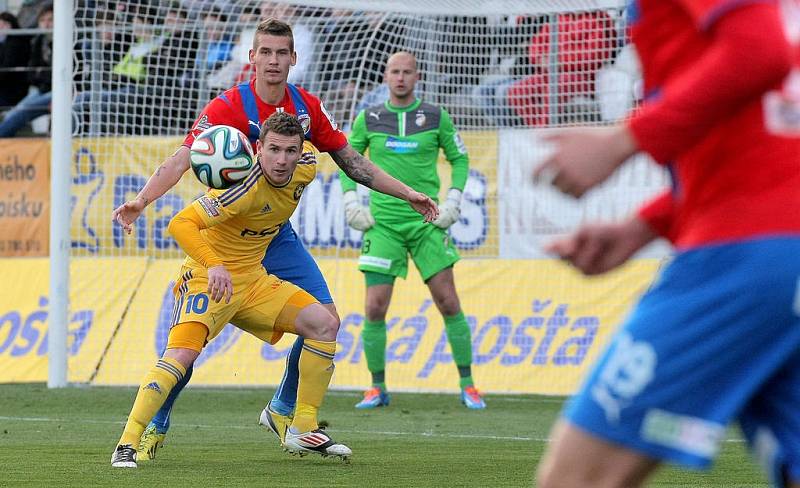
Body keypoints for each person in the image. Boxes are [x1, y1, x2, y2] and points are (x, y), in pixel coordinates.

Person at [111, 18, 438, 461]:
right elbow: (182, 159)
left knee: (326, 319)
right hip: (227, 233)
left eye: (281, 53)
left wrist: (408, 192)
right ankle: (155, 424)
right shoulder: (228, 106)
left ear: (293, 58)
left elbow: (354, 163)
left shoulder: (306, 109)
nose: (273, 61)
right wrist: (141, 201)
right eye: (264, 52)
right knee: (185, 351)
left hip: (275, 235)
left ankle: (286, 413)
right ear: (252, 58)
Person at [533, 2, 800, 487]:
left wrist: (621, 143)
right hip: (774, 248)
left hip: (747, 257)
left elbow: (759, 54)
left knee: (574, 479)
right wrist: (642, 228)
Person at [111, 112, 352, 467]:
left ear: (301, 150)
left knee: (325, 324)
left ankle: (302, 425)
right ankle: (127, 444)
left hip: (253, 284)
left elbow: (320, 142)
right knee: (180, 358)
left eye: (290, 150)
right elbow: (182, 224)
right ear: (258, 149)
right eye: (273, 150)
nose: (282, 160)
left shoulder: (307, 165)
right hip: (208, 282)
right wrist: (214, 264)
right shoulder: (239, 188)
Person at [341, 51, 486, 410]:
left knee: (448, 301)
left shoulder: (436, 116)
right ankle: (377, 388)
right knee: (374, 307)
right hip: (384, 223)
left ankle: (468, 384)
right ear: (385, 76)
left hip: (427, 221)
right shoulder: (369, 117)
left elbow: (460, 158)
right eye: (394, 72)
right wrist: (350, 202)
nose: (401, 78)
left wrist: (453, 198)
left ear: (416, 77)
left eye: (407, 72)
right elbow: (346, 159)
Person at [0, 2, 52, 137]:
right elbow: (32, 72)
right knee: (14, 114)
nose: (46, 24)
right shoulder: (39, 41)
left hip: (52, 91)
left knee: (21, 111)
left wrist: (42, 76)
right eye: (42, 20)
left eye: (50, 20)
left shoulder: (16, 43)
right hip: (41, 89)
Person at [0, 11, 31, 110]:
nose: (1, 28)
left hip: (12, 90)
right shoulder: (4, 43)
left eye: (4, 25)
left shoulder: (15, 43)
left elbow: (7, 70)